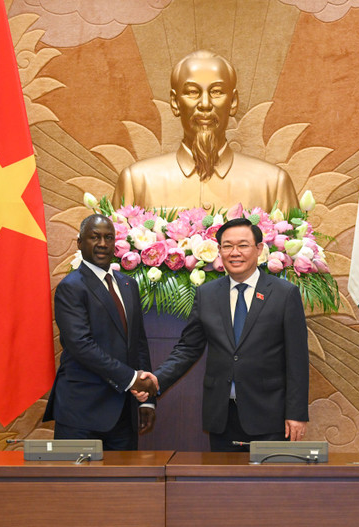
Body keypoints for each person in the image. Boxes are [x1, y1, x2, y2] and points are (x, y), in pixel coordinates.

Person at [136, 218, 309, 452]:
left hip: (270, 416)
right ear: (219, 251)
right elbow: (188, 348)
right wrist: (157, 380)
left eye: (243, 245)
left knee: (268, 487)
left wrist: (296, 414)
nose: (234, 253)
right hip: (222, 416)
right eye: (227, 246)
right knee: (224, 487)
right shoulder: (207, 294)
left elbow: (297, 360)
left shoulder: (284, 294)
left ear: (259, 249)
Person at [112, 50, 299, 212]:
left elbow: (294, 248)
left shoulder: (273, 184)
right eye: (192, 92)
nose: (205, 104)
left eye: (216, 92)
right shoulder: (137, 182)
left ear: (233, 102)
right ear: (175, 103)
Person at [43, 214, 157, 449]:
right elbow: (81, 345)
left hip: (124, 413)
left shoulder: (128, 285)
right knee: (79, 486)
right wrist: (132, 379)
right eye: (95, 237)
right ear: (80, 243)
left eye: (108, 237)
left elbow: (138, 343)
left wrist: (147, 401)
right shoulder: (71, 287)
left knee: (122, 485)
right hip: (81, 413)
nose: (103, 244)